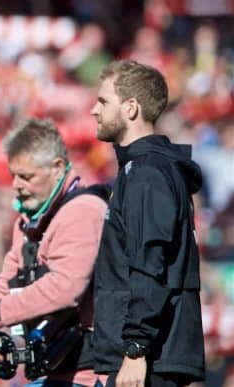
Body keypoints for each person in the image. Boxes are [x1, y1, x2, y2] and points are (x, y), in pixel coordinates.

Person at [0, 118, 108, 386]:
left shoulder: (84, 210)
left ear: (57, 168)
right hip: (49, 371)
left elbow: (66, 287)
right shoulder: (26, 223)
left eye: (26, 176)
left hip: (88, 374)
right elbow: (6, 287)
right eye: (14, 175)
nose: (16, 185)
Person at [90, 59, 206, 387]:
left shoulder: (147, 173)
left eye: (102, 102)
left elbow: (149, 265)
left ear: (131, 108)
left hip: (148, 359)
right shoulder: (139, 170)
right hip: (144, 354)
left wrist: (135, 348)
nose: (93, 111)